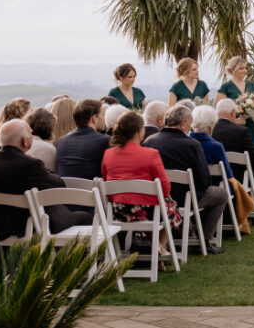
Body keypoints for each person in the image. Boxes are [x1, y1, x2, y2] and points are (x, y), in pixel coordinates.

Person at [0, 119, 91, 238]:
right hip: (28, 224)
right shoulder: (31, 164)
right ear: (24, 141)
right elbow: (59, 184)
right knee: (85, 216)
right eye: (30, 134)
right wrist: (38, 163)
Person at [145, 104, 228, 252]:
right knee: (221, 194)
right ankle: (205, 239)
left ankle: (179, 234)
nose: (190, 126)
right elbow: (204, 180)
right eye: (190, 122)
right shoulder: (192, 144)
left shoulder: (150, 141)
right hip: (185, 198)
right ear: (183, 123)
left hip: (157, 197)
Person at [101, 111, 181, 257]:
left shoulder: (108, 153)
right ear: (139, 131)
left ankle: (158, 248)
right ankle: (160, 249)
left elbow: (106, 182)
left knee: (163, 205)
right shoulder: (151, 154)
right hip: (147, 211)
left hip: (118, 211)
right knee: (171, 205)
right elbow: (165, 188)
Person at [213, 99, 254, 218]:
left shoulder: (210, 130)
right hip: (240, 178)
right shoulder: (241, 131)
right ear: (233, 113)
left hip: (215, 178)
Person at [214, 56, 254, 153]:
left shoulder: (252, 86)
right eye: (241, 68)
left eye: (245, 68)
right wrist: (236, 120)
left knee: (252, 155)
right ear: (233, 70)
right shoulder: (226, 87)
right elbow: (219, 110)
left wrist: (248, 113)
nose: (244, 70)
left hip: (249, 126)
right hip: (232, 128)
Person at [55, 99, 110, 179]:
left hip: (65, 189)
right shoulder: (105, 141)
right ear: (94, 118)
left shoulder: (61, 141)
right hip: (92, 190)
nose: (104, 118)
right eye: (102, 115)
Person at [189, 105, 233, 181]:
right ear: (211, 126)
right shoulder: (216, 147)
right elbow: (228, 174)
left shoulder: (185, 144)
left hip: (190, 188)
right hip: (216, 187)